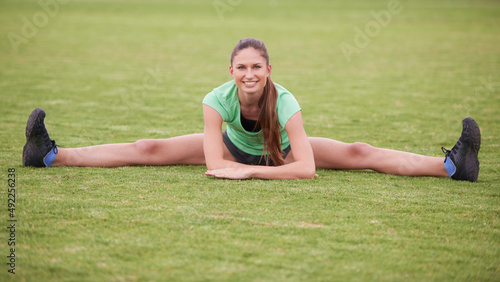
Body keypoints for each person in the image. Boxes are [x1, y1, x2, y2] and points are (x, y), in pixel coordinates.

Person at [22, 38, 481, 182]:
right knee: (147, 146)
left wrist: (251, 172)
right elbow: (215, 162)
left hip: (277, 154)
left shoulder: (285, 101)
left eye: (256, 66)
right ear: (231, 70)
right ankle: (47, 155)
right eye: (241, 67)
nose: (248, 74)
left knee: (360, 150)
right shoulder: (215, 100)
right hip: (232, 148)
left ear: (268, 69)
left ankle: (453, 166)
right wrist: (230, 165)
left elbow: (304, 169)